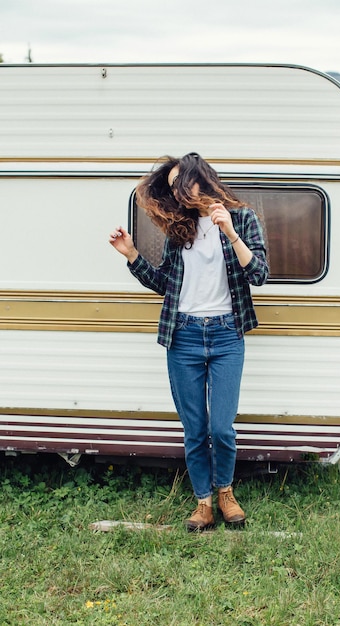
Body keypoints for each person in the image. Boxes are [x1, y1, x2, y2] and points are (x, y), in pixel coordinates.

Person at [109, 152, 269, 531]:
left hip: (227, 333)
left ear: (202, 179)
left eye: (182, 182)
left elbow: (260, 274)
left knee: (222, 428)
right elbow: (166, 284)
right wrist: (132, 255)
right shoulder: (179, 228)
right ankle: (203, 504)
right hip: (183, 335)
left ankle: (226, 493)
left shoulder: (242, 217)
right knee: (195, 428)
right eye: (171, 187)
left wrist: (230, 232)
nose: (177, 193)